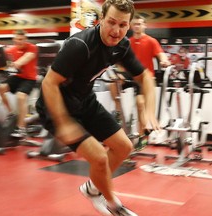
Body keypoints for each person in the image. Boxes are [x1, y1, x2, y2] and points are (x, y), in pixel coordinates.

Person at [36, 0, 160, 215]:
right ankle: (114, 205)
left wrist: (149, 111)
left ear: (129, 25)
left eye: (123, 25)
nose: (116, 30)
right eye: (111, 22)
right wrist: (63, 121)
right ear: (101, 19)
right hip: (56, 104)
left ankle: (93, 187)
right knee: (100, 157)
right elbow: (49, 83)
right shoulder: (80, 45)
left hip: (85, 100)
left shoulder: (122, 46)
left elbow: (146, 78)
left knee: (124, 147)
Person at [108, 14, 170, 150]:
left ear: (144, 26)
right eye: (135, 24)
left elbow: (160, 54)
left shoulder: (151, 41)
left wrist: (164, 60)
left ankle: (143, 136)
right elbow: (119, 61)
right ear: (131, 26)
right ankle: (118, 113)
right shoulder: (127, 42)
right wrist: (118, 70)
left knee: (140, 103)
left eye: (140, 24)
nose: (137, 26)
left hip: (144, 79)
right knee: (113, 83)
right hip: (130, 76)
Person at [0, 29, 38, 138]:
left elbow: (25, 59)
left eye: (21, 39)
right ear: (13, 39)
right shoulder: (10, 50)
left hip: (29, 78)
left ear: (25, 39)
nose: (19, 41)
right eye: (17, 39)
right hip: (17, 77)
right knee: (1, 88)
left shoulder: (32, 47)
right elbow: (2, 62)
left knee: (20, 97)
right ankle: (11, 113)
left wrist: (14, 64)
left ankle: (21, 128)